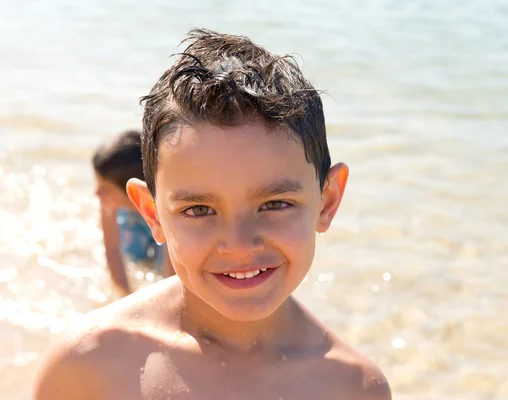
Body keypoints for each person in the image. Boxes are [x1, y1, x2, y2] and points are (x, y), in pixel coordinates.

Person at [34, 29, 392, 400]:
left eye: (274, 204)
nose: (238, 246)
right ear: (152, 215)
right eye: (199, 209)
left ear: (327, 201)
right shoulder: (88, 365)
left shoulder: (353, 388)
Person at [92, 130, 173, 297]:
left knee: (163, 266)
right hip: (131, 222)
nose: (96, 193)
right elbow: (113, 250)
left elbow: (170, 279)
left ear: (133, 190)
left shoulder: (162, 206)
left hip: (156, 220)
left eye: (105, 188)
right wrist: (126, 297)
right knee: (134, 256)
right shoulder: (107, 202)